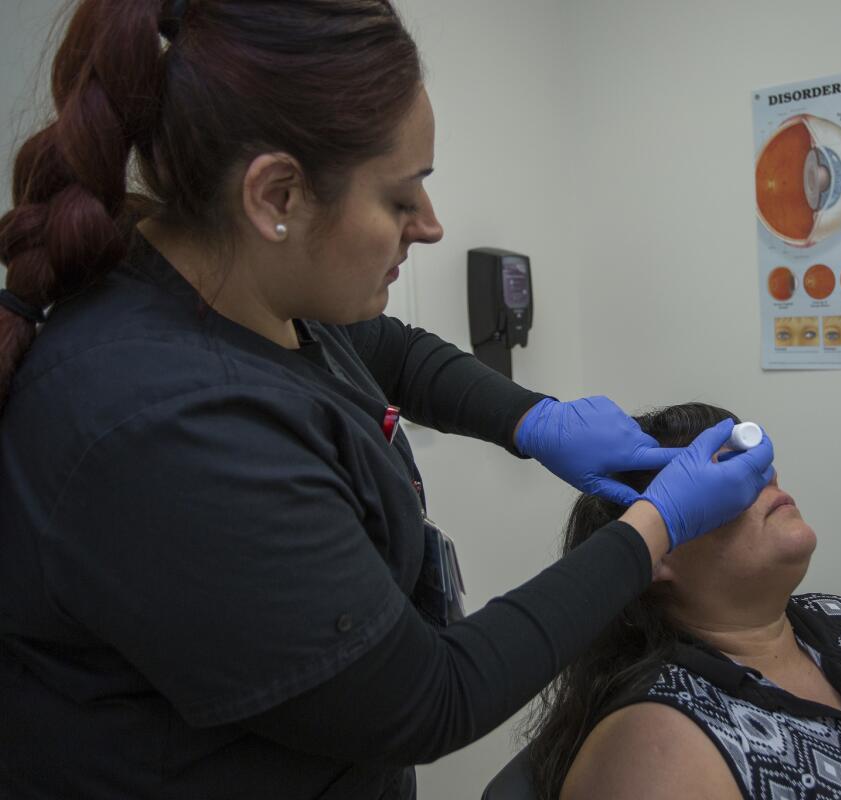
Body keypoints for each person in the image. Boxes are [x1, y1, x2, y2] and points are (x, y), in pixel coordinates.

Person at [0, 3, 775, 798]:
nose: (432, 227)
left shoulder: (244, 295)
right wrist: (654, 530)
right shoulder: (164, 426)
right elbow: (432, 697)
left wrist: (532, 420)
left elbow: (388, 351)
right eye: (403, 200)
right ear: (277, 197)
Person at [524, 403, 841, 800]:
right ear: (653, 553)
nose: (764, 475)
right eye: (720, 478)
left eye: (751, 462)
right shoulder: (655, 742)